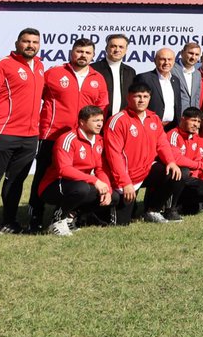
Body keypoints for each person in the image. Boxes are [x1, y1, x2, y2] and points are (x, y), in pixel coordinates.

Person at [29, 37, 109, 233]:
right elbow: (33, 96)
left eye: (87, 52)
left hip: (80, 138)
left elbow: (101, 108)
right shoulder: (54, 73)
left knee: (78, 180)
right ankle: (34, 219)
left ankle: (66, 217)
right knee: (42, 178)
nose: (83, 55)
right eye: (79, 51)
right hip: (51, 135)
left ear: (93, 55)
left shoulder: (97, 78)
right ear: (71, 52)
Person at [0, 28, 46, 238]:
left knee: (15, 180)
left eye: (35, 42)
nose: (30, 45)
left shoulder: (40, 66)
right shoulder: (2, 63)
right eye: (26, 41)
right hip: (3, 133)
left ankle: (10, 221)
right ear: (17, 43)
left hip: (30, 136)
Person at [104, 83, 181, 225]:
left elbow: (162, 143)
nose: (141, 100)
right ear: (128, 98)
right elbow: (113, 156)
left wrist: (171, 161)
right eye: (137, 96)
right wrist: (125, 182)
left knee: (174, 173)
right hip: (124, 177)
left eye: (145, 96)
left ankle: (153, 210)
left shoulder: (154, 118)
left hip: (145, 170)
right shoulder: (118, 120)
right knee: (121, 224)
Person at [36, 105, 112, 236]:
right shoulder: (68, 139)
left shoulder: (99, 140)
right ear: (82, 122)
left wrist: (107, 189)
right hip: (53, 185)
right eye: (95, 121)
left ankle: (70, 217)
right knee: (82, 188)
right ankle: (57, 221)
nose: (100, 124)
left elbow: (100, 168)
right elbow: (64, 170)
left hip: (79, 185)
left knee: (113, 196)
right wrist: (94, 180)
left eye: (101, 120)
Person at [154, 107, 203, 221]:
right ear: (183, 119)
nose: (196, 124)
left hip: (188, 178)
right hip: (170, 177)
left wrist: (197, 172)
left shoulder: (196, 138)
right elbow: (176, 159)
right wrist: (201, 166)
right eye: (193, 120)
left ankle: (180, 203)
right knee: (182, 171)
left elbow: (197, 159)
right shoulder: (173, 135)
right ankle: (169, 209)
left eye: (198, 122)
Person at [137, 47, 184, 131]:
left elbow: (177, 105)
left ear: (174, 61)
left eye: (170, 59)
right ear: (155, 61)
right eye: (163, 59)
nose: (166, 63)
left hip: (171, 128)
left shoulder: (175, 80)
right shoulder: (144, 78)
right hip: (150, 127)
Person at [96, 33, 136, 118]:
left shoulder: (130, 72)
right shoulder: (93, 69)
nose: (117, 50)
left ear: (126, 50)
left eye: (121, 47)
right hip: (97, 120)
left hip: (122, 121)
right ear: (106, 48)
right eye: (113, 46)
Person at [172, 42, 203, 111]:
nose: (193, 57)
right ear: (182, 53)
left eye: (196, 54)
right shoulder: (171, 70)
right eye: (191, 53)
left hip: (191, 116)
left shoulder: (197, 74)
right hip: (175, 117)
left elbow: (196, 98)